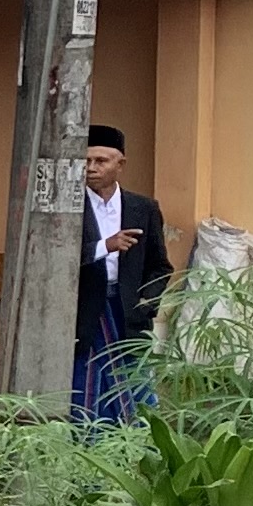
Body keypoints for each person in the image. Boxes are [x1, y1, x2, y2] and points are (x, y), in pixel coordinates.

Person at [71, 125, 173, 420]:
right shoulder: (69, 208)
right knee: (88, 382)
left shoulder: (143, 208)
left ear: (120, 164)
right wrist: (106, 245)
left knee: (133, 381)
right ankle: (87, 446)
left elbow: (160, 266)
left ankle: (136, 447)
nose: (91, 168)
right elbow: (60, 261)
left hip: (129, 310)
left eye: (100, 161)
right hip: (87, 310)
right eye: (86, 161)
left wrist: (147, 305)